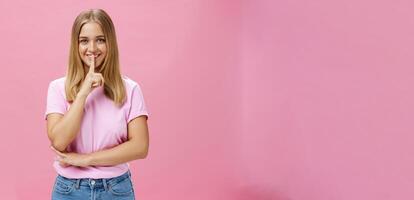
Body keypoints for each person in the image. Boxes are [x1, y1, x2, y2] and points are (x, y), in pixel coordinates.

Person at [45, 9, 149, 200]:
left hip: (116, 190)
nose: (92, 48)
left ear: (110, 43)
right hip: (69, 191)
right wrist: (83, 92)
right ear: (76, 45)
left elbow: (140, 147)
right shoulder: (57, 88)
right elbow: (59, 141)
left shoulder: (131, 89)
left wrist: (85, 160)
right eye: (84, 40)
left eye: (100, 39)